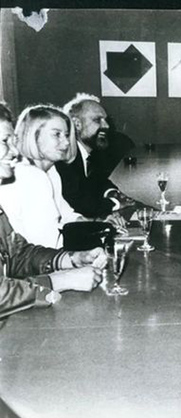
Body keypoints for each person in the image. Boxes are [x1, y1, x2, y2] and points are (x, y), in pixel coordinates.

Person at [0, 102, 105, 323]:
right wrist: (60, 280)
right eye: (4, 141)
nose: (14, 151)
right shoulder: (32, 176)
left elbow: (18, 254)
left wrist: (71, 259)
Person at [0, 104, 124, 249]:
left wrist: (99, 224)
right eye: (56, 134)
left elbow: (67, 215)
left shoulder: (51, 171)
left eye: (66, 135)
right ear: (33, 136)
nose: (66, 142)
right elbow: (47, 243)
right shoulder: (30, 176)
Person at [56, 93, 134, 218]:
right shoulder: (65, 158)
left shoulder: (91, 153)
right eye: (97, 120)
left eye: (106, 120)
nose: (106, 126)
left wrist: (111, 192)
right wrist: (116, 203)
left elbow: (98, 181)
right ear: (77, 124)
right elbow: (78, 204)